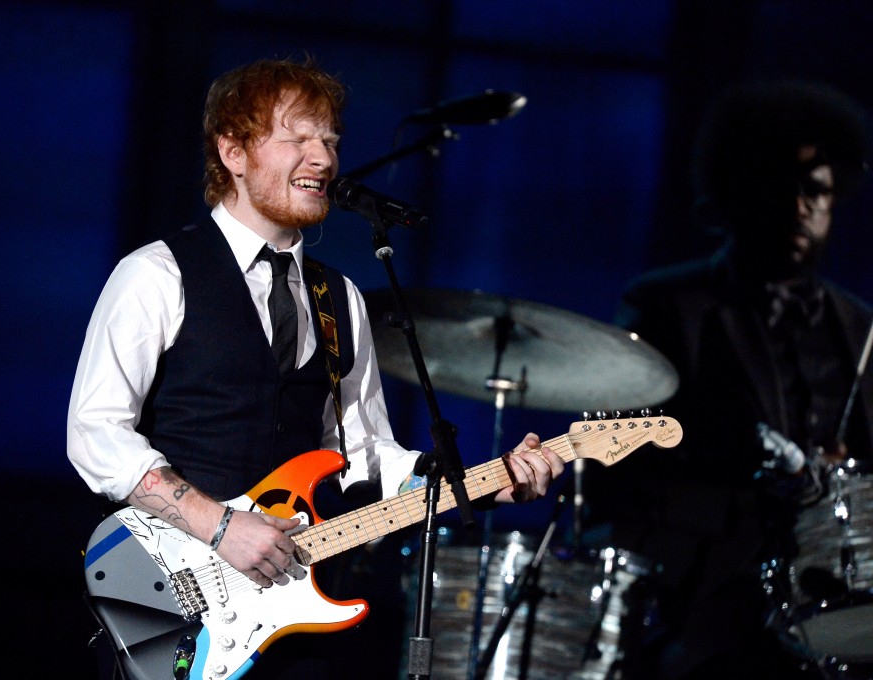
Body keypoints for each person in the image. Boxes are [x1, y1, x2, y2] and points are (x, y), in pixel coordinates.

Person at [66, 55, 565, 679]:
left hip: (288, 613)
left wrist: (491, 482)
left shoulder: (341, 299)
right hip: (172, 600)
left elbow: (363, 454)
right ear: (234, 152)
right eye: (296, 137)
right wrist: (220, 527)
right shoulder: (157, 274)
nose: (323, 158)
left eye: (329, 139)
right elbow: (95, 432)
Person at [586, 80, 873, 679]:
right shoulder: (668, 305)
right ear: (741, 188)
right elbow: (620, 473)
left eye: (818, 191)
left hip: (840, 596)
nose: (801, 205)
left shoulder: (860, 326)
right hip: (709, 599)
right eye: (785, 185)